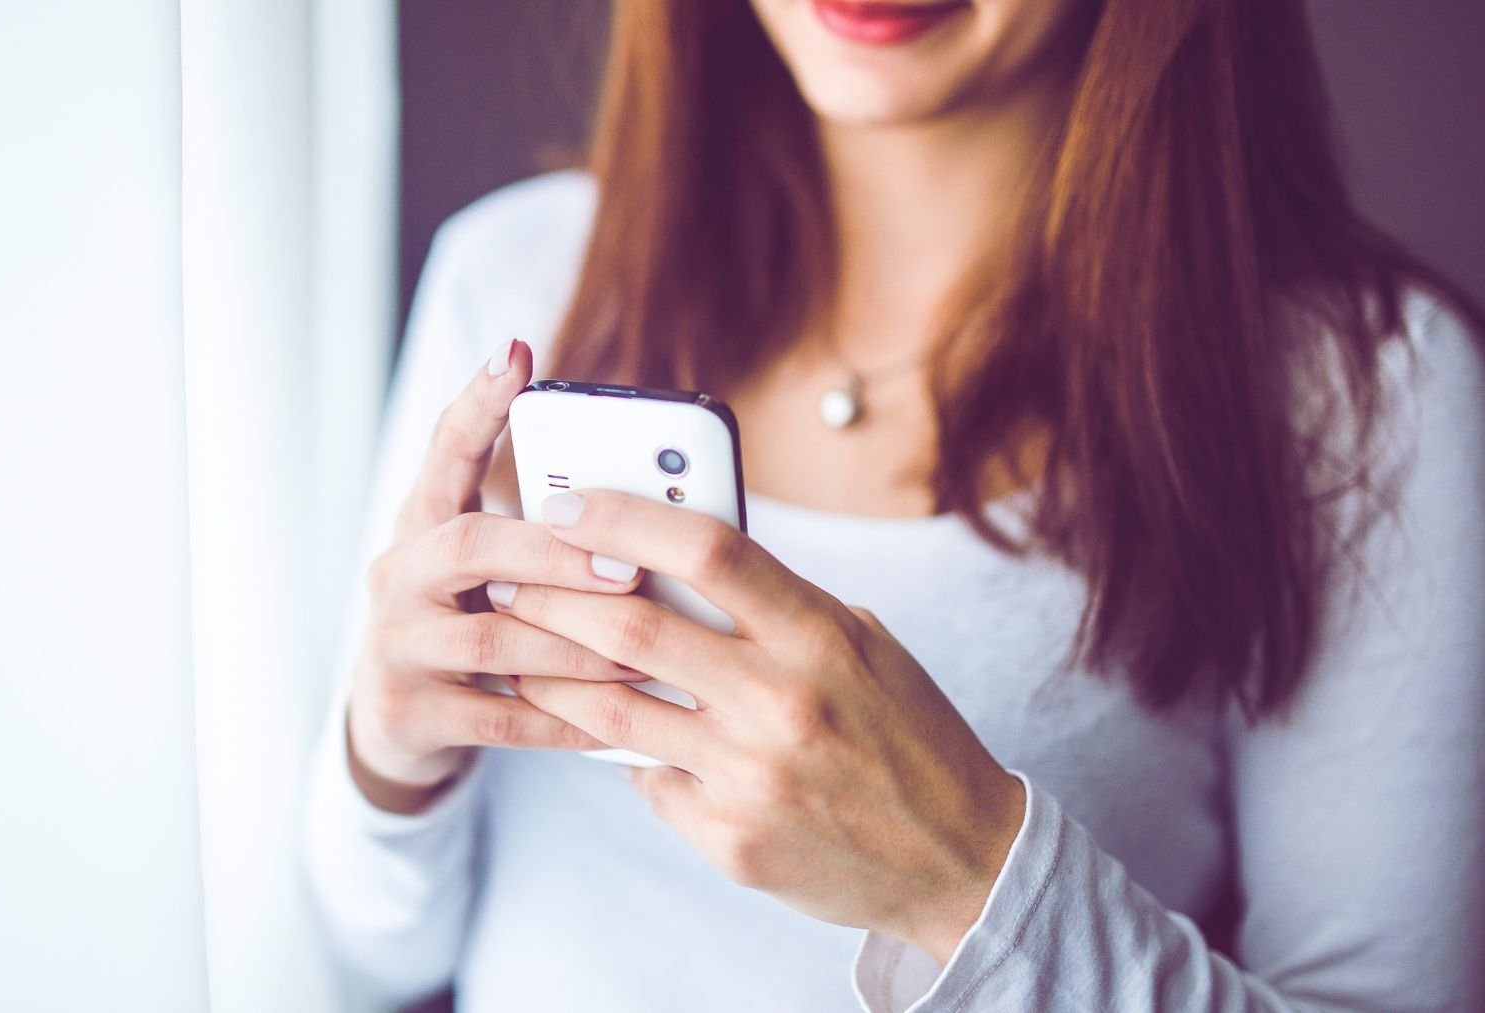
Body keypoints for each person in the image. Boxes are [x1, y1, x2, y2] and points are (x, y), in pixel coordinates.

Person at [303, 0, 1485, 1009]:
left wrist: (964, 877)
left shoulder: (1366, 392)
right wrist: (389, 755)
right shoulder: (514, 279)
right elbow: (374, 946)